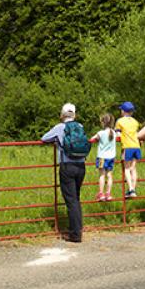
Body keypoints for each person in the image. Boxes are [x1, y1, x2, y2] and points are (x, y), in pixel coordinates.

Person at [41, 102, 86, 243]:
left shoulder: (60, 127)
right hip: (81, 165)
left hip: (67, 166)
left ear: (62, 114)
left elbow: (44, 138)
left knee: (71, 200)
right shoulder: (80, 126)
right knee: (76, 198)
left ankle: (75, 235)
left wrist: (56, 141)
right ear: (74, 114)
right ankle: (78, 228)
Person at [115, 101, 140, 198]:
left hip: (127, 146)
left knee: (126, 169)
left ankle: (131, 189)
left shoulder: (120, 121)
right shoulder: (135, 122)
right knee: (133, 169)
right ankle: (133, 189)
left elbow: (118, 134)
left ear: (123, 111)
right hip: (136, 146)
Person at [89, 113, 116, 201]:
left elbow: (92, 138)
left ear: (103, 123)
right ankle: (108, 194)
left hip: (102, 157)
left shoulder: (101, 133)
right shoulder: (114, 133)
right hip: (111, 157)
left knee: (102, 175)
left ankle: (101, 194)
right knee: (109, 175)